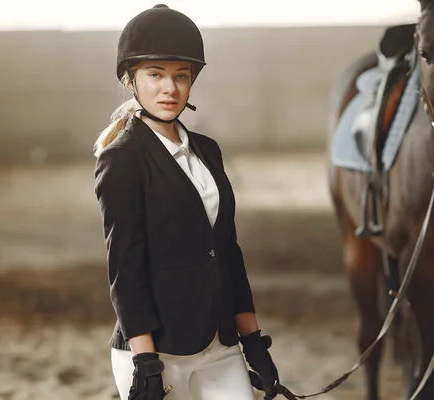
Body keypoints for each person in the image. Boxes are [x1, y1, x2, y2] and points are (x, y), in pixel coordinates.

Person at [93, 4, 281, 399]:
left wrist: (253, 342)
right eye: (155, 74)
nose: (170, 88)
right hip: (159, 349)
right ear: (130, 80)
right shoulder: (122, 159)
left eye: (181, 76)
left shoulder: (209, 151)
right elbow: (125, 267)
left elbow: (227, 251)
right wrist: (146, 363)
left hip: (221, 344)